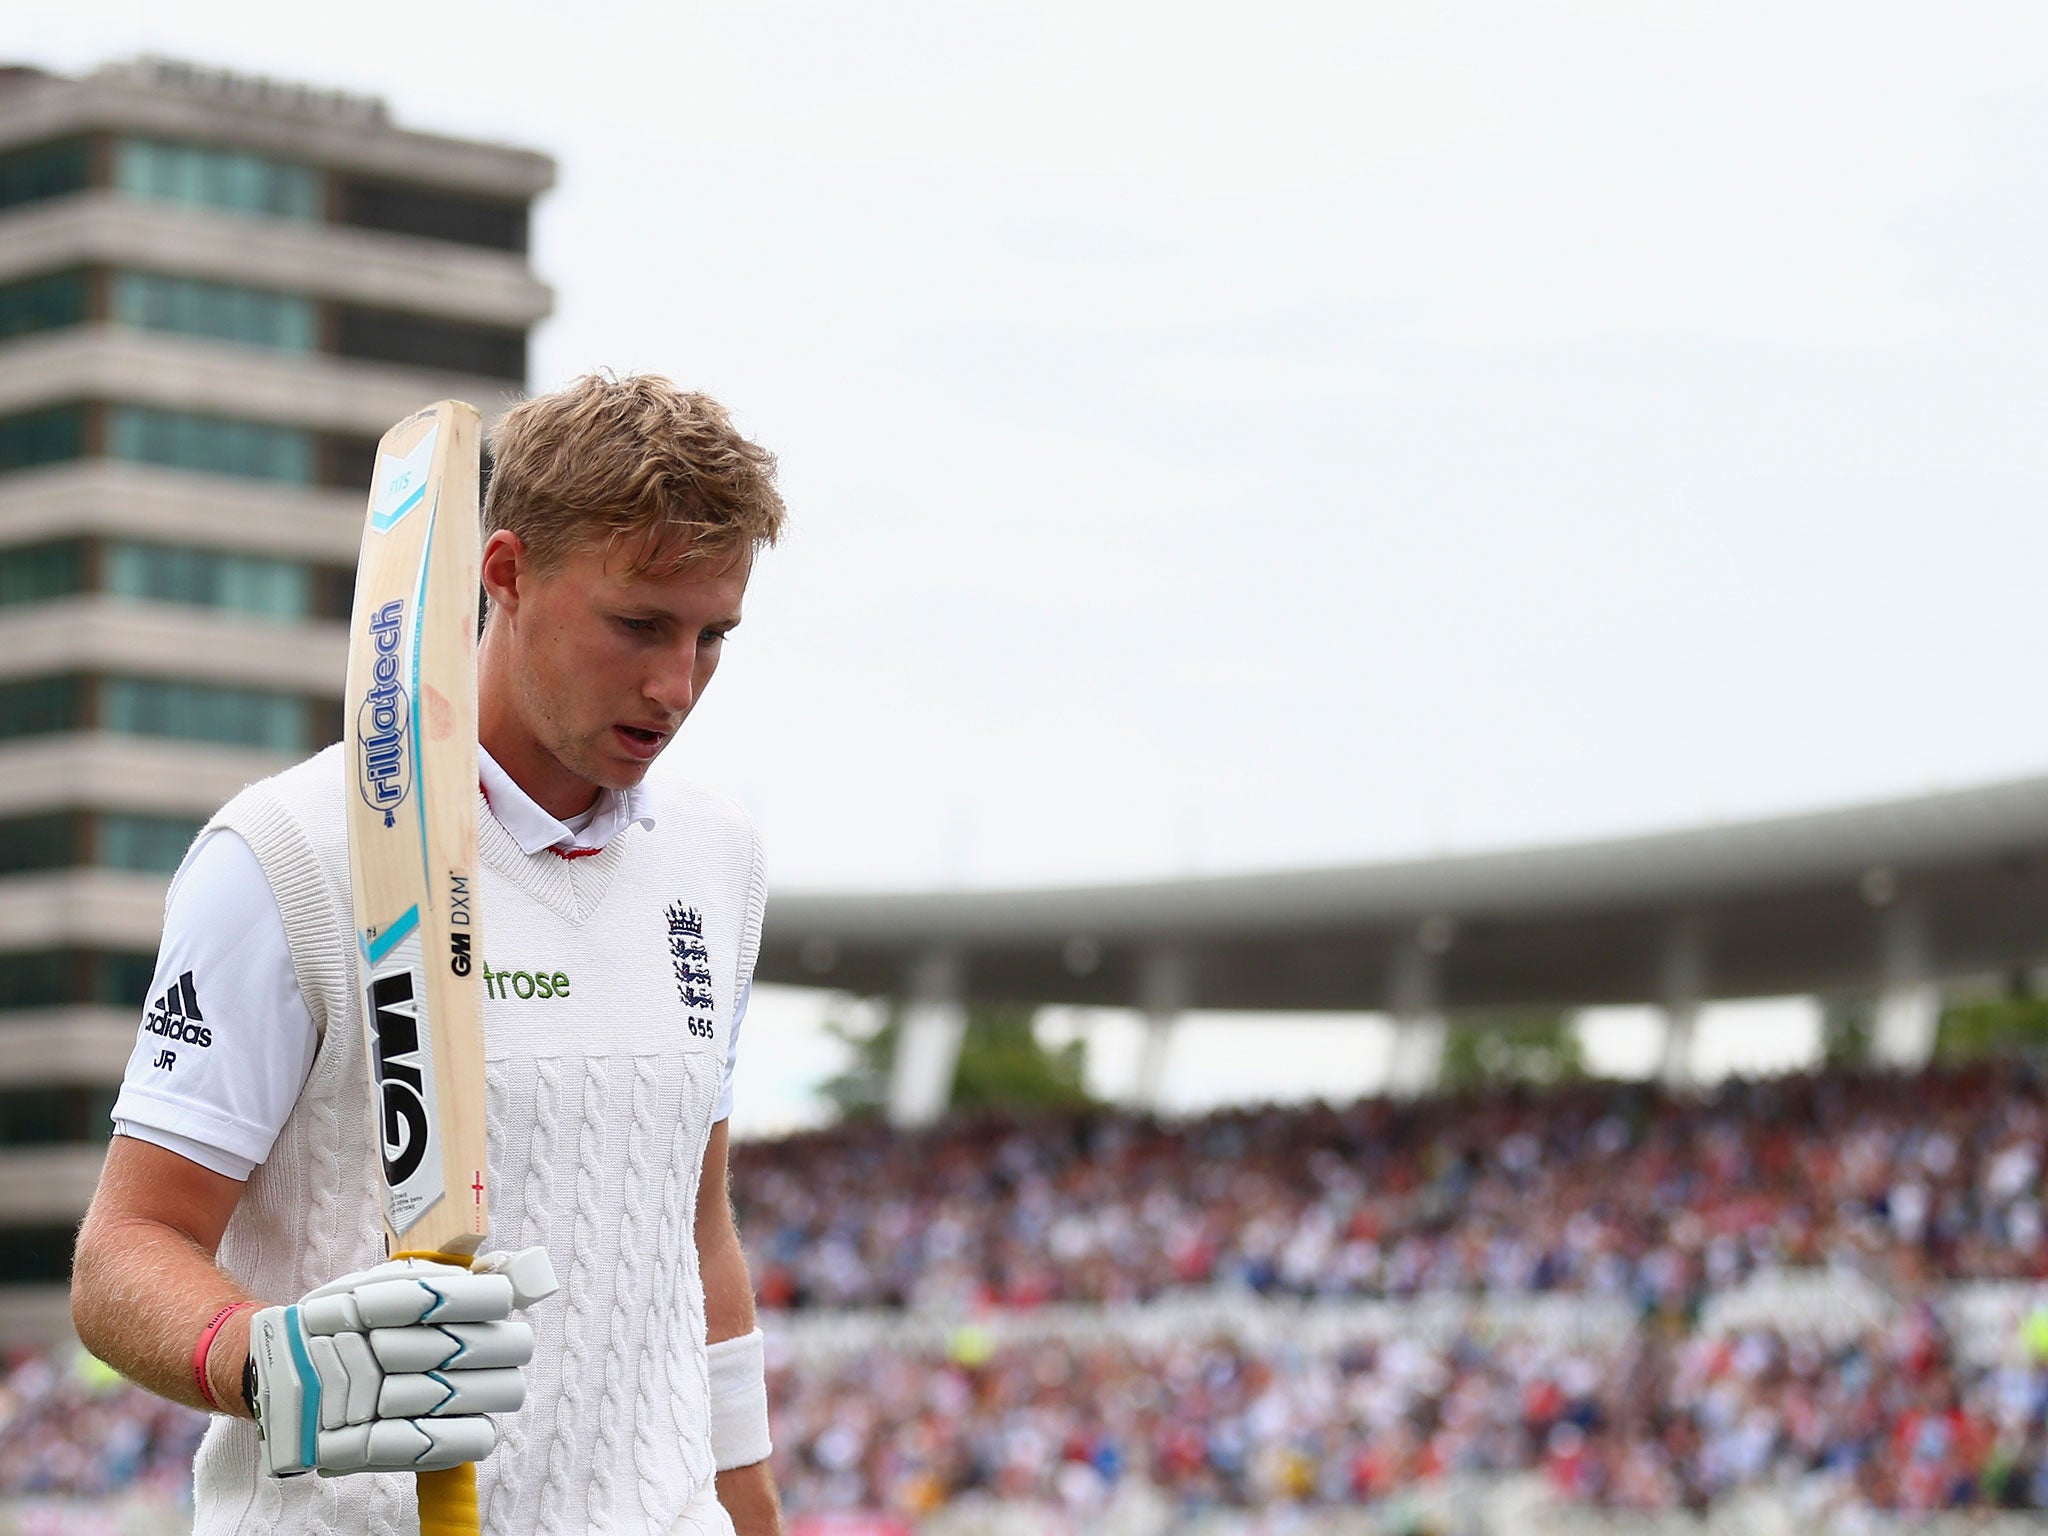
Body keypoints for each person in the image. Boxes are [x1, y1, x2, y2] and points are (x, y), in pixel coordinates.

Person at [70, 374, 789, 1536]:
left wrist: (751, 1509)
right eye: (638, 625)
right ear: (503, 575)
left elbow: (692, 1232)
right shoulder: (288, 853)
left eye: (714, 637)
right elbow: (124, 1254)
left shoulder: (716, 859)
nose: (676, 684)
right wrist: (269, 1363)